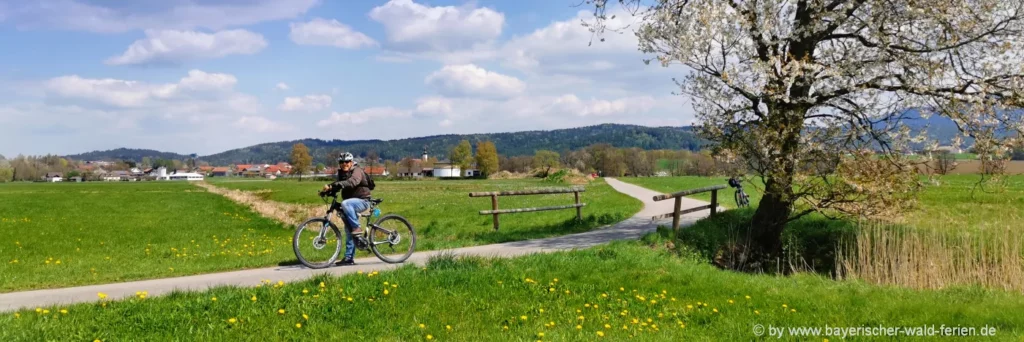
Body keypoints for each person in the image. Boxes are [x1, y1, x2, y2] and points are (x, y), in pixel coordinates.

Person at [321, 152, 371, 265]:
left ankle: (357, 228)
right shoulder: (341, 174)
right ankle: (349, 258)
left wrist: (337, 185)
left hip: (362, 201)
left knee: (346, 205)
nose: (344, 164)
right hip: (350, 203)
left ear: (351, 162)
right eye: (342, 162)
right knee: (349, 230)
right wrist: (328, 190)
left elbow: (353, 182)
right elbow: (338, 185)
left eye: (347, 162)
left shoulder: (357, 170)